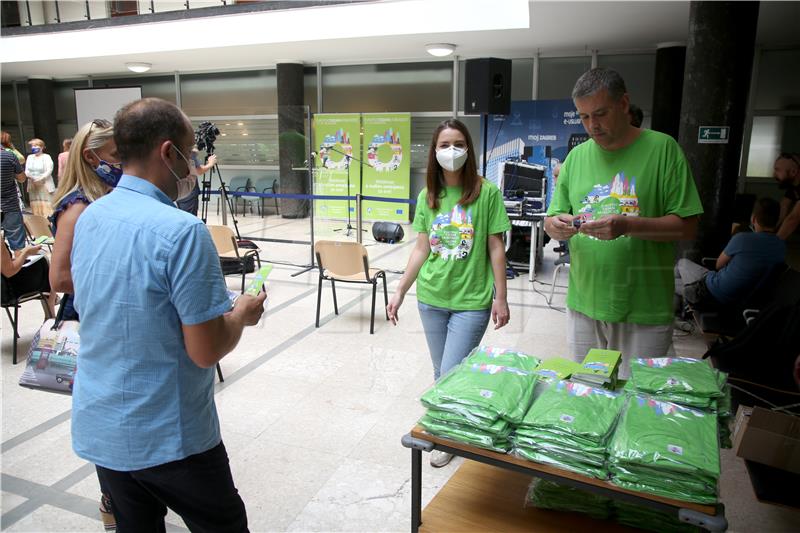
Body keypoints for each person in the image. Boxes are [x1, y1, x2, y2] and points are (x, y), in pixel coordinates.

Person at [69, 98, 265, 531]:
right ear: (167, 152)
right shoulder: (181, 231)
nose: (192, 162)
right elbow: (206, 349)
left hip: (103, 424)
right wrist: (241, 315)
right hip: (168, 434)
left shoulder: (90, 216)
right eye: (189, 151)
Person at [544, 68, 703, 378]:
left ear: (624, 103)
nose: (593, 125)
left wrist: (629, 226)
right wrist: (555, 225)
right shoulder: (575, 158)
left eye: (600, 114)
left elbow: (687, 225)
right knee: (590, 393)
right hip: (583, 303)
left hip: (643, 307)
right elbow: (553, 218)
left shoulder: (663, 150)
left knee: (637, 402)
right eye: (584, 117)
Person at [387, 119, 511, 468]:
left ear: (468, 149)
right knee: (441, 370)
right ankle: (451, 428)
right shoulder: (428, 196)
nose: (451, 150)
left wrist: (500, 297)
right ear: (434, 151)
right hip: (431, 298)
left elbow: (496, 248)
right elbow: (421, 249)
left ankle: (447, 435)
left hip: (472, 302)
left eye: (458, 143)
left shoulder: (486, 192)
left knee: (452, 371)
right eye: (444, 145)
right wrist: (399, 291)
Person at [675, 198, 785, 309]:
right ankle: (683, 303)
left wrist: (734, 238)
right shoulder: (781, 246)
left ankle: (682, 303)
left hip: (709, 293)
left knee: (680, 265)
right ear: (777, 219)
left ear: (754, 218)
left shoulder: (742, 238)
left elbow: (719, 265)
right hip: (740, 300)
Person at [1, 230, 56, 318]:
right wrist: (26, 253)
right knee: (43, 259)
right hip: (8, 290)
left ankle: (51, 298)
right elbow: (9, 271)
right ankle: (50, 312)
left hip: (5, 287)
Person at [1, 148, 28, 251]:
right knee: (18, 247)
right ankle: (20, 266)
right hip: (10, 205)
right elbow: (22, 178)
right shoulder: (9, 156)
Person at [176, 149, 216, 215]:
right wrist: (210, 164)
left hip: (178, 188)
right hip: (189, 190)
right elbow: (198, 171)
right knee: (189, 217)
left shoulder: (174, 149)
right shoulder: (188, 151)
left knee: (181, 215)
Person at [24, 138, 55, 217]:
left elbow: (49, 170)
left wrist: (40, 178)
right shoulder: (30, 157)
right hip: (33, 185)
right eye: (32, 146)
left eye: (36, 145)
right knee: (36, 207)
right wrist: (31, 177)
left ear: (41, 147)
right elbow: (27, 170)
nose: (34, 147)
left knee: (47, 206)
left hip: (44, 184)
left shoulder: (46, 157)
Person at [775, 153, 800, 240]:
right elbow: (783, 207)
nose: (774, 174)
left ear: (793, 172)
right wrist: (769, 229)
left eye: (777, 170)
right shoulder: (794, 185)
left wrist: (773, 242)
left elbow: (793, 218)